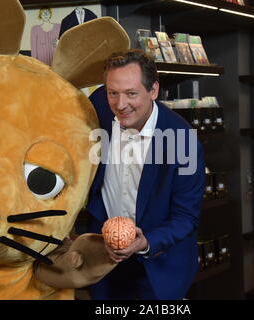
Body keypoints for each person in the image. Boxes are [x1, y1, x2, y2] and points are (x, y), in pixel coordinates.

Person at [86, 49, 205, 300]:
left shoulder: (183, 140)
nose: (120, 104)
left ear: (153, 91)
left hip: (158, 266)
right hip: (103, 259)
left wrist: (145, 241)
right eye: (113, 93)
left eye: (131, 93)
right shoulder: (99, 105)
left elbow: (186, 217)